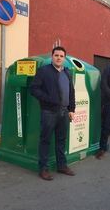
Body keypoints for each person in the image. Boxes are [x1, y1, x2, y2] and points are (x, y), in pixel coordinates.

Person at [30, 46, 75, 181]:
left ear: (64, 58)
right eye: (56, 55)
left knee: (61, 140)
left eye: (61, 56)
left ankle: (62, 165)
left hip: (64, 112)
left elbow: (71, 92)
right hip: (49, 112)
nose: (59, 58)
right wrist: (50, 99)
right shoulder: (43, 71)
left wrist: (72, 109)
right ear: (52, 56)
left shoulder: (67, 72)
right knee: (45, 140)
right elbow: (34, 89)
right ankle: (43, 169)